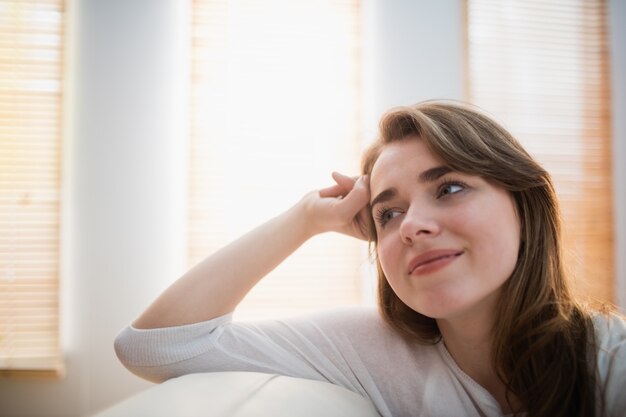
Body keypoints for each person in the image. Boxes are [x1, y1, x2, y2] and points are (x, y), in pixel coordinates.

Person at [115, 101, 626, 417]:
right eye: (387, 214)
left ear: (525, 205)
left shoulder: (609, 364)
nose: (412, 226)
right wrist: (305, 219)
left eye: (449, 188)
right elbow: (154, 346)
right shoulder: (373, 351)